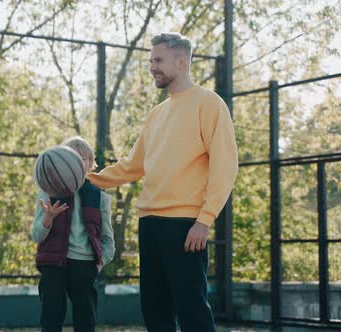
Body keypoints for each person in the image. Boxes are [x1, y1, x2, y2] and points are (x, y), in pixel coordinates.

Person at [86, 32, 238, 332]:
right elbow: (134, 166)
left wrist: (204, 220)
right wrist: (87, 180)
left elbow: (225, 165)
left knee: (192, 309)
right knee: (154, 310)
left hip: (185, 224)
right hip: (150, 221)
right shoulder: (156, 113)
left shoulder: (209, 103)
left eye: (158, 60)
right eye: (151, 60)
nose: (152, 66)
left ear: (181, 61)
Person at [30, 136, 115, 332]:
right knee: (50, 320)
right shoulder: (47, 192)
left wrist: (99, 264)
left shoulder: (99, 196)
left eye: (83, 157)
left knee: (86, 321)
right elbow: (36, 235)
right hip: (53, 264)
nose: (78, 160)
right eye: (72, 156)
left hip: (85, 265)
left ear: (90, 163)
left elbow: (107, 240)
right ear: (62, 160)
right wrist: (48, 219)